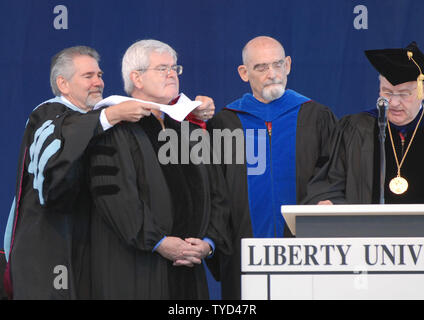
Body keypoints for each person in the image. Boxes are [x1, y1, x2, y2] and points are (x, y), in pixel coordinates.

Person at [4, 45, 213, 300]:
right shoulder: (48, 115)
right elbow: (53, 175)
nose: (98, 82)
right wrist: (109, 115)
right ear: (63, 83)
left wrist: (190, 108)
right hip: (49, 247)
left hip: (85, 249)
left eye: (100, 75)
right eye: (88, 76)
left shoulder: (103, 121)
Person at [88, 39, 231, 299]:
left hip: (190, 265)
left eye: (175, 68)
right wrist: (158, 241)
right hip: (139, 267)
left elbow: (217, 192)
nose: (171, 74)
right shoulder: (116, 127)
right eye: (162, 68)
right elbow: (114, 195)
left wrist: (208, 243)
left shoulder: (187, 126)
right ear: (137, 78)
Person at [207, 36, 337, 299]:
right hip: (243, 247)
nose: (272, 74)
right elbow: (213, 189)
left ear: (288, 65)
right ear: (244, 73)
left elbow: (332, 176)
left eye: (278, 64)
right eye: (261, 67)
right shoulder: (226, 122)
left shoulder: (316, 116)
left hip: (306, 249)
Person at [303, 41, 424, 205]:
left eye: (404, 94)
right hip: (365, 229)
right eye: (387, 92)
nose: (394, 102)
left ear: (421, 93)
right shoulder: (355, 129)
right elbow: (329, 183)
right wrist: (330, 202)